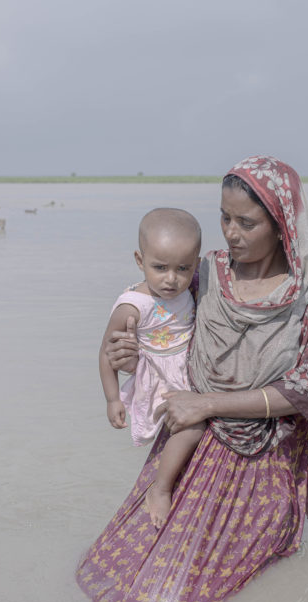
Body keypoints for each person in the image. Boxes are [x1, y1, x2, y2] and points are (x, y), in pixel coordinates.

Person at [78, 155, 308, 602]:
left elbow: (307, 390)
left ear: (282, 223)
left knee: (199, 593)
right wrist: (126, 357)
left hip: (262, 457)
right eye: (224, 217)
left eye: (247, 221)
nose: (231, 232)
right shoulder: (202, 274)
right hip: (188, 443)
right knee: (125, 579)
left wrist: (207, 404)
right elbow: (165, 343)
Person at [98, 208, 204, 529]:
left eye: (182, 269)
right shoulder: (133, 304)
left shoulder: (189, 290)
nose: (171, 279)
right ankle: (160, 489)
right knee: (192, 427)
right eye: (160, 268)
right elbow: (106, 352)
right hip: (156, 378)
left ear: (196, 266)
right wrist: (113, 399)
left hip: (186, 370)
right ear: (139, 260)